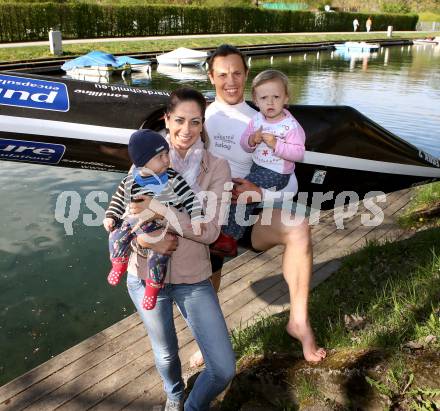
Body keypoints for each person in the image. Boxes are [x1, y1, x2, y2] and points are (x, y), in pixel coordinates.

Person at [205, 44, 326, 363]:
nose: (230, 81)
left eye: (237, 73)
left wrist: (259, 193)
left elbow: (292, 178)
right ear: (211, 76)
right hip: (210, 214)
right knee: (206, 276)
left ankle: (298, 321)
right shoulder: (199, 118)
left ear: (246, 75)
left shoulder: (264, 117)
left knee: (298, 227)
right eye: (222, 74)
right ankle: (208, 342)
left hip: (250, 212)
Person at [127, 87, 235, 411]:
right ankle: (174, 395)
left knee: (223, 368)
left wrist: (161, 210)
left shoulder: (218, 168)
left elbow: (211, 230)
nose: (186, 130)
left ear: (203, 125)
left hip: (192, 277)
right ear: (166, 119)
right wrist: (143, 238)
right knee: (165, 352)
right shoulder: (145, 157)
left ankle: (192, 407)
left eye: (195, 122)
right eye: (179, 120)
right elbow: (125, 213)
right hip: (145, 273)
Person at [103, 130, 204, 310]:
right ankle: (119, 262)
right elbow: (118, 200)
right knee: (116, 234)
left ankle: (153, 287)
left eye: (167, 154)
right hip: (136, 221)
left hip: (162, 225)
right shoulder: (130, 181)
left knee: (159, 256)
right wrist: (111, 216)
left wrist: (197, 216)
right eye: (160, 156)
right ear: (142, 162)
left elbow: (190, 199)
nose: (166, 160)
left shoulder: (173, 178)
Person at [210, 69, 305, 257]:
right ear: (256, 99)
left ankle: (229, 238)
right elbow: (244, 144)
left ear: (286, 98)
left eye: (276, 97)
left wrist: (277, 145)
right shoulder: (256, 119)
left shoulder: (290, 126)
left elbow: (298, 153)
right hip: (258, 167)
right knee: (238, 191)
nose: (270, 102)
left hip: (277, 172)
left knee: (241, 195)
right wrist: (252, 140)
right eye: (264, 98)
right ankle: (225, 230)